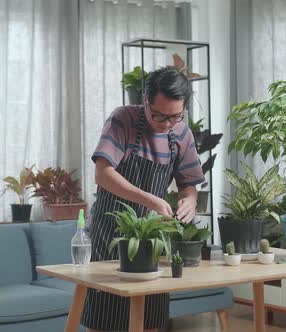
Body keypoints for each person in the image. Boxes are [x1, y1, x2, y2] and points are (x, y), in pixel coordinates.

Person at [81, 67, 205, 331]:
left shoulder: (181, 133)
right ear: (146, 100)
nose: (167, 123)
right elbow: (103, 174)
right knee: (106, 320)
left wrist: (190, 201)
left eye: (175, 116)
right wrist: (151, 200)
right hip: (110, 235)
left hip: (153, 240)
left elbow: (189, 184)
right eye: (159, 115)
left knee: (151, 319)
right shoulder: (123, 118)